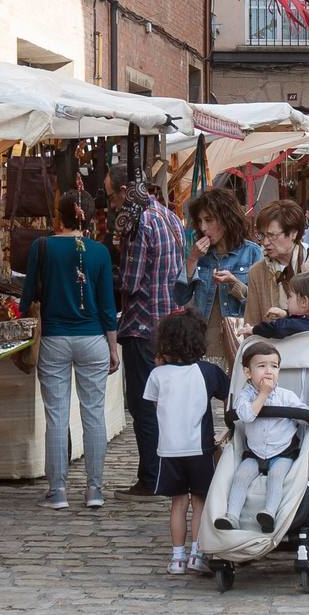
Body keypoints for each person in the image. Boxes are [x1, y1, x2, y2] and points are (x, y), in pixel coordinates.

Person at [20, 191, 119, 511]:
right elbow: (108, 305)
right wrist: (113, 347)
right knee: (94, 414)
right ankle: (94, 489)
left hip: (54, 338)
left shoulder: (42, 247)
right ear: (88, 218)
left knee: (57, 415)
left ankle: (58, 490)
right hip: (93, 339)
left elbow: (26, 298)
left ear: (58, 216)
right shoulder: (100, 252)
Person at [107, 164, 186, 500]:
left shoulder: (140, 223)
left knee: (144, 405)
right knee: (166, 405)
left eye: (111, 194)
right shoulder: (168, 216)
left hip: (143, 325)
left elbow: (130, 281)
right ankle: (170, 473)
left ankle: (151, 478)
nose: (110, 202)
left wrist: (105, 268)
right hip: (169, 322)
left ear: (125, 191)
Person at [143, 310, 229, 574]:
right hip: (200, 447)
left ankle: (177, 558)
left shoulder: (157, 375)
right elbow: (230, 395)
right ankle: (197, 553)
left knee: (177, 503)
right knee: (200, 501)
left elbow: (157, 406)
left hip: (169, 449)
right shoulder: (208, 371)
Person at [215, 341, 309, 534]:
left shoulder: (286, 396)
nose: (269, 371)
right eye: (262, 366)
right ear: (248, 373)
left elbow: (303, 416)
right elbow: (246, 415)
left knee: (277, 477)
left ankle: (270, 513)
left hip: (283, 452)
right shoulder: (245, 396)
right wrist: (263, 394)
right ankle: (232, 516)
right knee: (240, 477)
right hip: (254, 453)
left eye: (274, 366)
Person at [175, 188, 262, 371]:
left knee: (237, 397)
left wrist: (234, 283)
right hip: (204, 344)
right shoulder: (200, 255)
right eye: (199, 221)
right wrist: (192, 259)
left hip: (239, 341)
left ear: (226, 219)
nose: (203, 227)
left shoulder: (252, 252)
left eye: (209, 220)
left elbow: (259, 304)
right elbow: (179, 297)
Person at [241, 200, 309, 327]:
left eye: (271, 235)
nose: (265, 242)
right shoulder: (257, 272)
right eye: (261, 235)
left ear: (293, 233)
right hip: (271, 345)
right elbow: (252, 323)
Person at [251, 272, 309, 339]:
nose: (287, 301)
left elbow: (277, 328)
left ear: (304, 302)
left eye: (290, 296)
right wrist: (286, 314)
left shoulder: (305, 324)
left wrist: (253, 330)